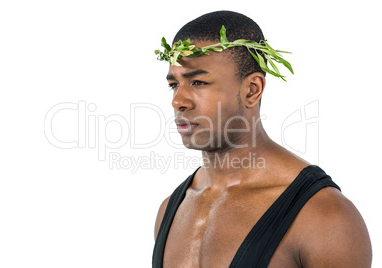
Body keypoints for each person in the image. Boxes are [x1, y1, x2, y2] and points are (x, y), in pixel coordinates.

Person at [152, 10, 372, 268]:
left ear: (252, 89)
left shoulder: (324, 217)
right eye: (173, 84)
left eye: (198, 82)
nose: (178, 101)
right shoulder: (172, 208)